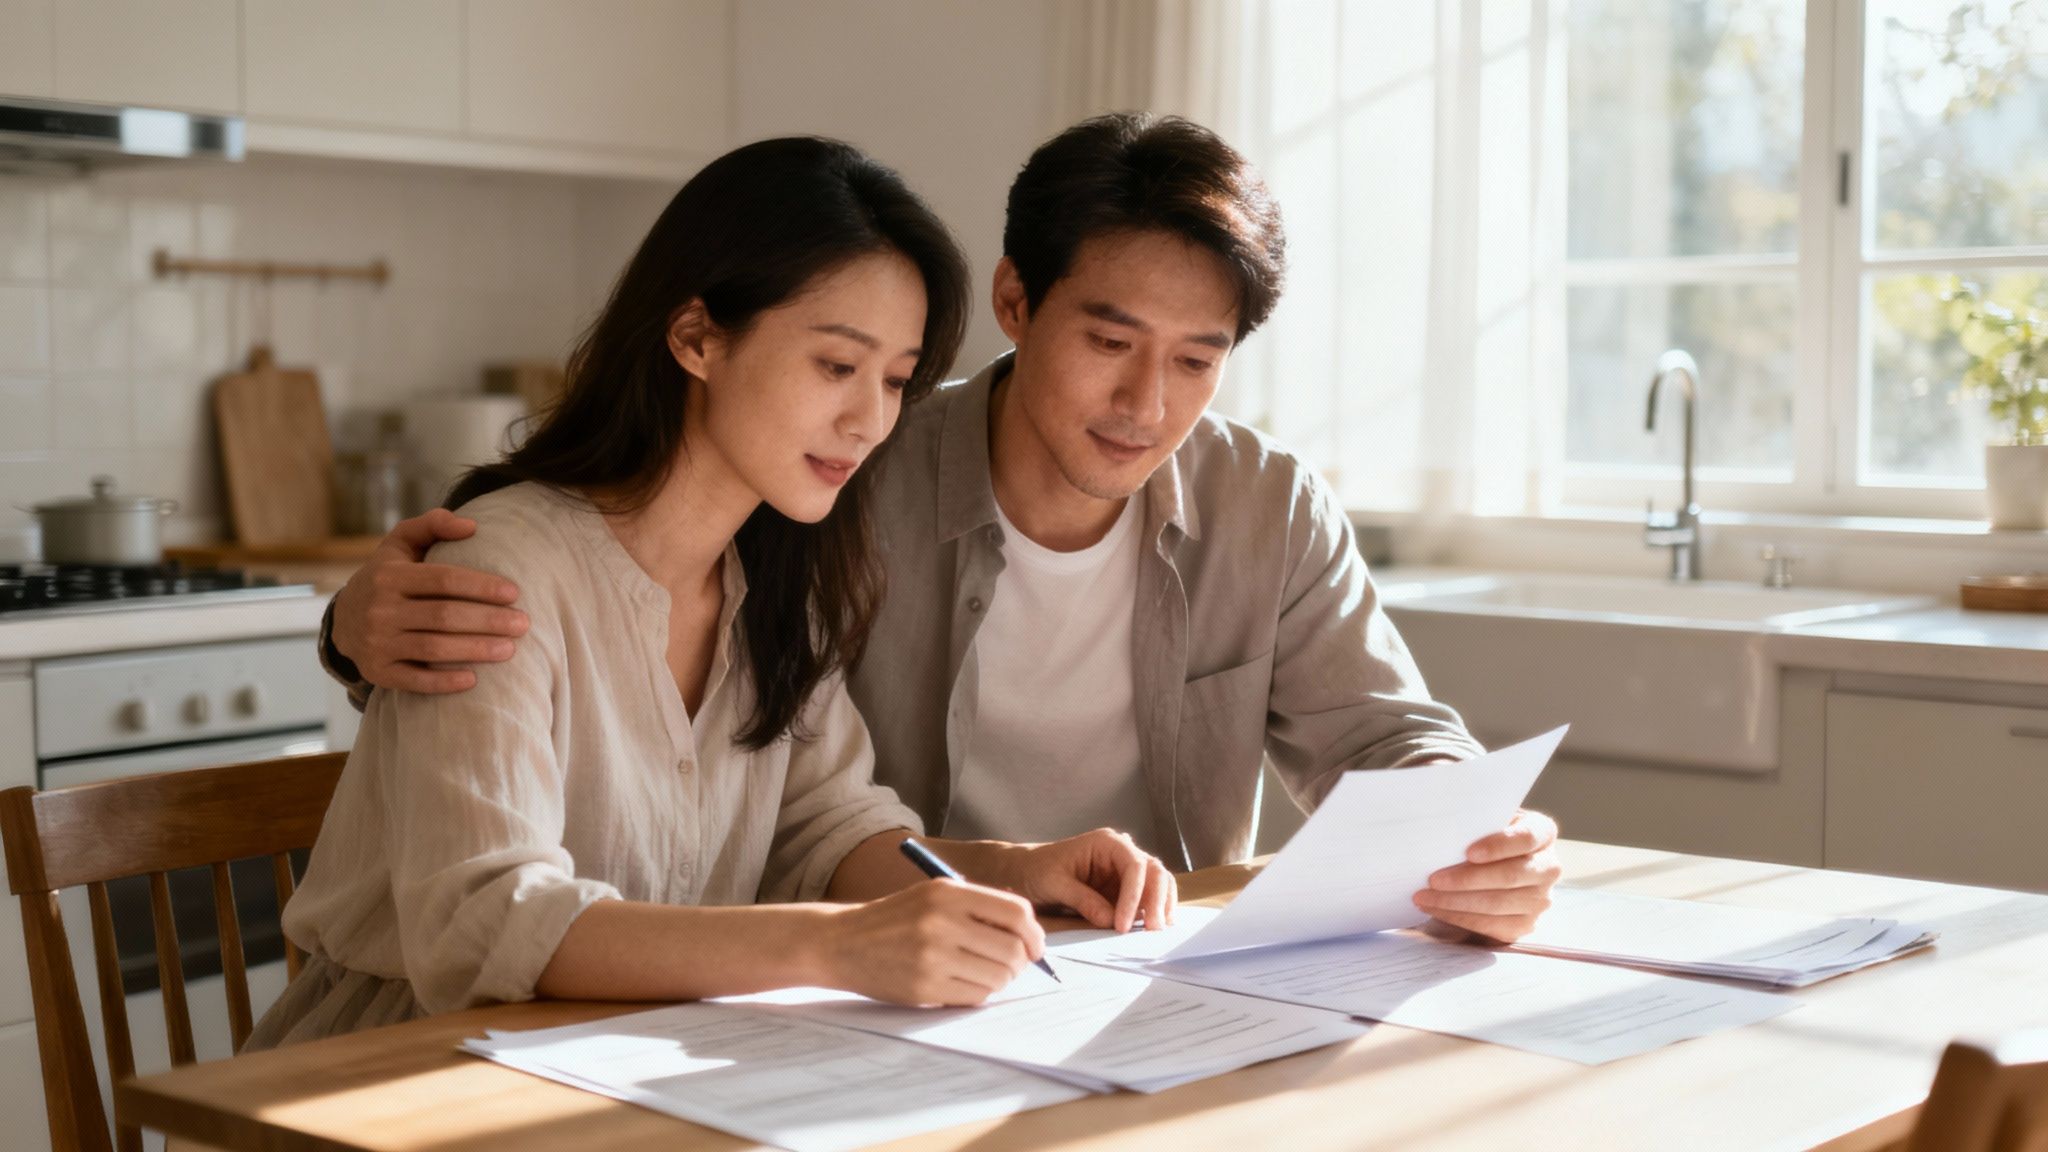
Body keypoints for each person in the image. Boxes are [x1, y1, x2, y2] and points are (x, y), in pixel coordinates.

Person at [320, 114, 1559, 949]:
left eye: (1197, 361)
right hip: (839, 982)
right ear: (1016, 304)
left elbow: (1390, 737)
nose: (1147, 404)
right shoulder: (839, 482)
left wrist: (1470, 832)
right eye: (1110, 343)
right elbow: (589, 572)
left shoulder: (1261, 503)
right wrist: (350, 622)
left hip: (1070, 979)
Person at [245, 137, 1176, 1053]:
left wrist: (1017, 869)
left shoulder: (775, 579)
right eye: (835, 366)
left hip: (618, 1063)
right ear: (696, 336)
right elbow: (483, 919)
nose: (870, 420)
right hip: (394, 1076)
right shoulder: (502, 567)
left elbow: (826, 827)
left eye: (895, 381)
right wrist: (835, 946)